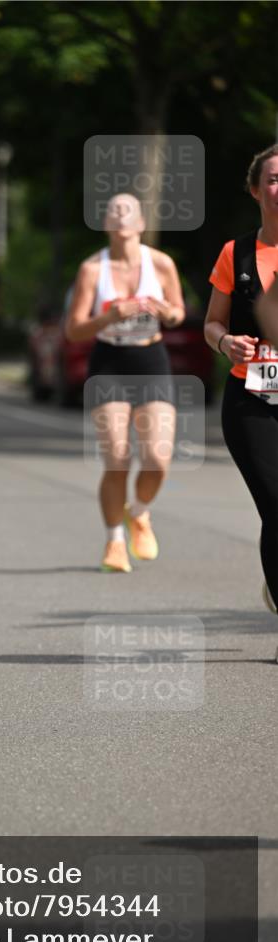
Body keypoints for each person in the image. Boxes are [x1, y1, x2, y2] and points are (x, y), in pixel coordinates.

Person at [66, 193, 185, 573]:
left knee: (158, 458)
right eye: (113, 210)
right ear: (105, 222)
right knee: (117, 458)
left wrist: (166, 311)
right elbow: (73, 330)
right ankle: (115, 540)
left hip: (150, 360)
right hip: (110, 363)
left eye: (127, 210)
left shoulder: (162, 263)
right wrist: (109, 317)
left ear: (139, 223)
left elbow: (179, 313)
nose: (119, 215)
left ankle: (141, 513)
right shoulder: (92, 270)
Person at [204, 144, 278, 634]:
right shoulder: (238, 253)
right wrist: (227, 341)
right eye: (272, 178)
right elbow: (211, 324)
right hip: (252, 400)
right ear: (255, 190)